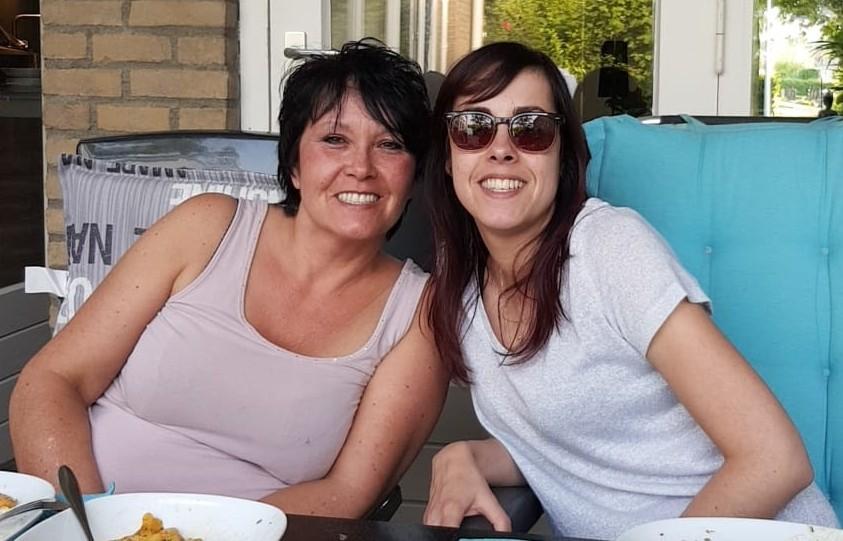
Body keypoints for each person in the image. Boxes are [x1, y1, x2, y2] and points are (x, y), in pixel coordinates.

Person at [10, 40, 448, 518]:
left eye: (389, 145)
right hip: (82, 517)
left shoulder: (420, 315)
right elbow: (52, 381)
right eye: (334, 140)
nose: (361, 168)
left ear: (413, 177)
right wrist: (88, 523)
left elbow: (347, 494)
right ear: (295, 165)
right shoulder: (206, 227)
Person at [421, 41, 839, 539]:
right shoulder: (461, 289)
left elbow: (775, 460)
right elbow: (571, 444)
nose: (501, 148)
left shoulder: (608, 249)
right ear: (448, 158)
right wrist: (462, 455)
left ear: (562, 155)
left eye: (531, 129)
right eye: (473, 127)